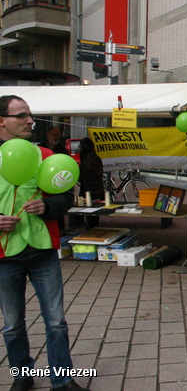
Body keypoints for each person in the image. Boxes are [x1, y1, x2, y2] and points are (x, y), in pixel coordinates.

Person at [0, 95, 90, 391]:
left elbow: (66, 196)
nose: (30, 120)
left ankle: (62, 380)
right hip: (5, 255)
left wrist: (48, 207)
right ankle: (22, 377)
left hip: (43, 253)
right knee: (12, 326)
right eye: (21, 115)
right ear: (2, 121)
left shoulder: (47, 156)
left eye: (30, 115)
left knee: (57, 322)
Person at [78, 138, 104, 229]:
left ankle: (91, 229)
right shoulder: (93, 156)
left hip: (91, 189)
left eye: (80, 145)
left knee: (91, 211)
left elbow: (85, 173)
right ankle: (92, 228)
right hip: (95, 189)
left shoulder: (88, 158)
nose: (79, 147)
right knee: (93, 213)